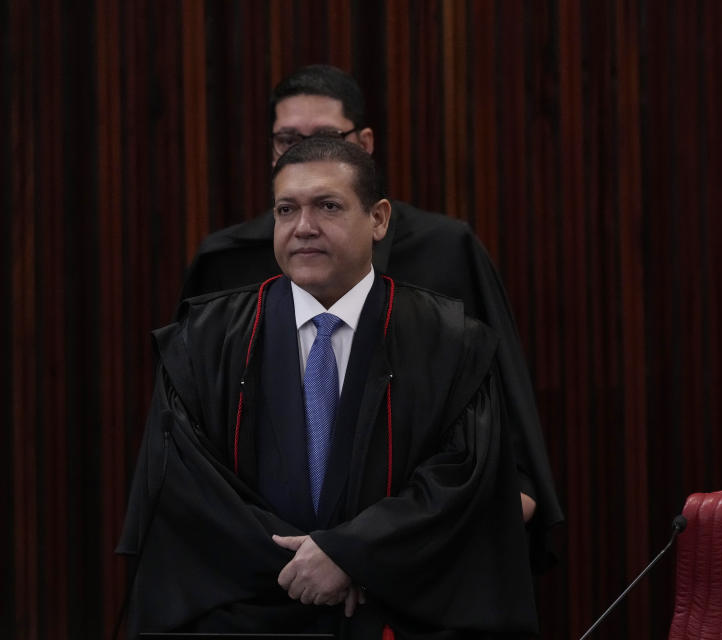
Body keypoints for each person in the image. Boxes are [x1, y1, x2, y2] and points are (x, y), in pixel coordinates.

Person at [118, 136, 539, 638]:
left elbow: (463, 486)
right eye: (286, 209)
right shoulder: (204, 340)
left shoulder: (451, 342)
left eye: (328, 206)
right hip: (246, 616)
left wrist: (354, 556)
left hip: (393, 613)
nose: (303, 228)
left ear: (378, 219)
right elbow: (188, 493)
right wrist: (312, 567)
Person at [181, 64, 562, 564]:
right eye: (286, 140)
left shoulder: (446, 252)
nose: (303, 152)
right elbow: (194, 452)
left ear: (363, 142)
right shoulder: (226, 264)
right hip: (263, 572)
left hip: (411, 562)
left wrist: (360, 555)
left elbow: (494, 437)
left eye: (324, 137)